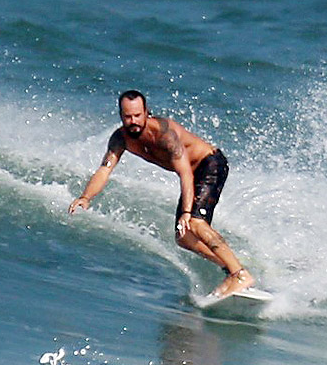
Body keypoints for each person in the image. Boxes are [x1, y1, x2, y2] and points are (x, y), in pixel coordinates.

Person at [68, 90, 254, 297]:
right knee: (183, 238)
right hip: (193, 174)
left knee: (195, 223)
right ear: (121, 115)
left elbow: (185, 174)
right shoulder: (121, 138)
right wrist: (85, 197)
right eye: (128, 116)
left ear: (147, 112)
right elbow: (105, 169)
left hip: (209, 164)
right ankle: (230, 269)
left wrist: (186, 212)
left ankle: (240, 274)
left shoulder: (165, 134)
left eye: (138, 115)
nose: (133, 121)